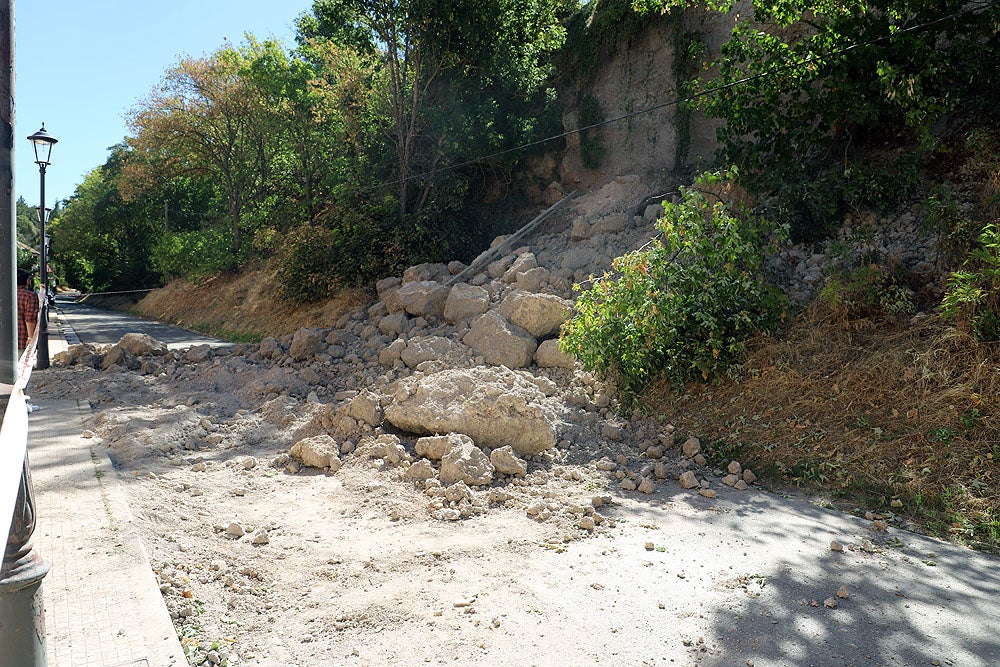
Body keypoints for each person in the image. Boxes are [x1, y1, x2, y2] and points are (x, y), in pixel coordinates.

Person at [16, 267, 39, 355]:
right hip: (21, 340)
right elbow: (30, 319)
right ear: (27, 281)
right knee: (21, 367)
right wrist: (30, 338)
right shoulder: (30, 296)